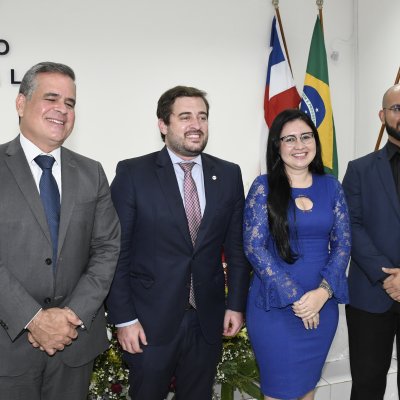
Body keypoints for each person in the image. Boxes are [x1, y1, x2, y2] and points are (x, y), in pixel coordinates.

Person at [106, 85, 250, 400]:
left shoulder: (228, 174)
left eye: (202, 116)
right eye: (185, 117)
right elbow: (116, 253)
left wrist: (236, 305)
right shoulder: (133, 173)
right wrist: (124, 319)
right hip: (148, 323)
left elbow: (237, 250)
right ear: (163, 124)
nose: (196, 125)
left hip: (207, 320)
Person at [0, 62, 121, 400]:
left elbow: (107, 248)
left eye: (70, 103)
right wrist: (32, 318)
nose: (62, 110)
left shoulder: (91, 173)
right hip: (6, 347)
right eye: (51, 98)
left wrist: (71, 315)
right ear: (21, 103)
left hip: (74, 345)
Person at [244, 109, 350, 400]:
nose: (299, 145)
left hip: (322, 305)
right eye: (289, 139)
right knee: (278, 393)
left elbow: (343, 245)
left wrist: (322, 294)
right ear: (277, 146)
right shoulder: (263, 187)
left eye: (305, 137)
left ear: (315, 141)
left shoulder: (332, 186)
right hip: (274, 308)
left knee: (307, 391)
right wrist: (296, 298)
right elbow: (254, 248)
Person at [342, 84, 400, 399]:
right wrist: (386, 276)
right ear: (383, 115)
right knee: (367, 385)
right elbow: (351, 226)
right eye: (397, 108)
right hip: (370, 294)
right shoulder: (359, 169)